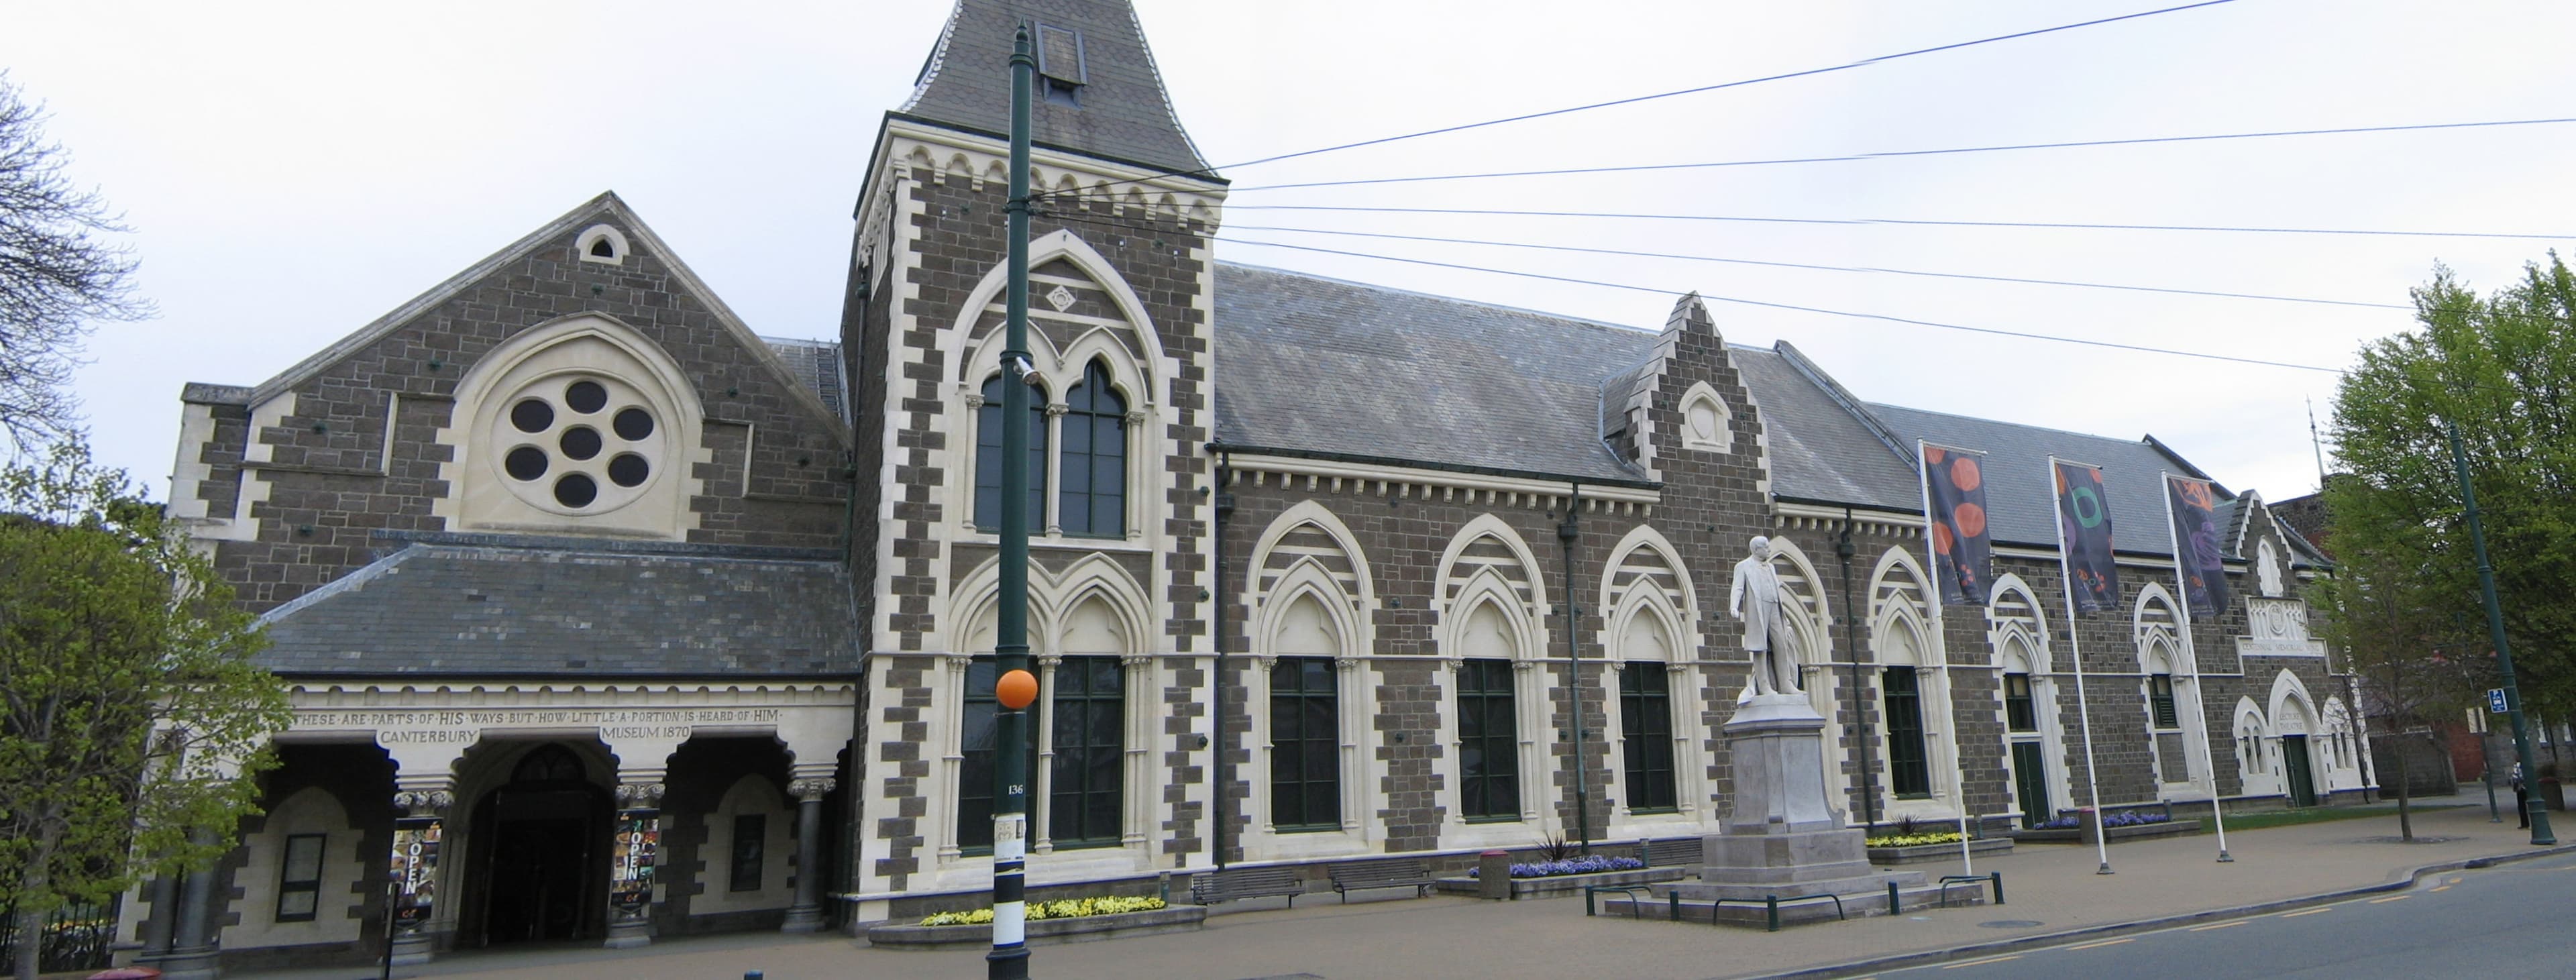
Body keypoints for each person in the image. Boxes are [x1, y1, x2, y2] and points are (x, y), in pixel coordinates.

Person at [2511, 763, 2530, 828]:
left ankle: (2525, 823)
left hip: (2521, 788)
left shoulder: (2517, 766)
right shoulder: (2528, 764)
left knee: (2522, 806)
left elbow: (2515, 778)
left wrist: (2515, 787)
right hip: (2529, 788)